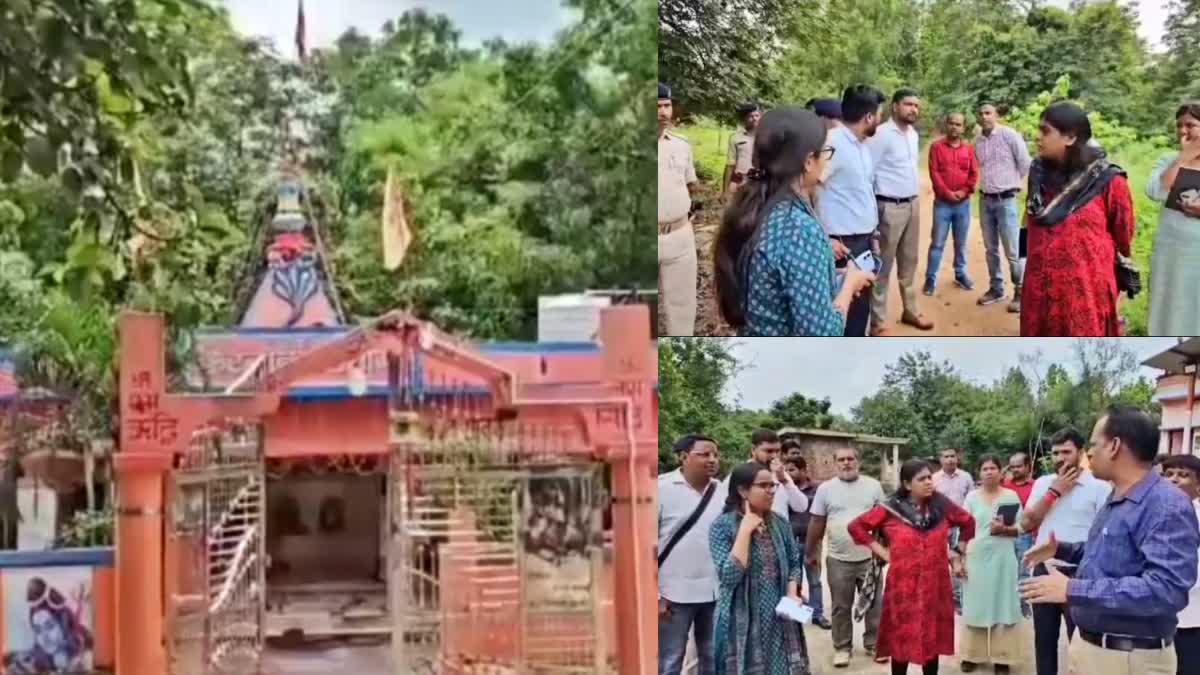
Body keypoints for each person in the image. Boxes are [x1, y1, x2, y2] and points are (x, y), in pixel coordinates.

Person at [1021, 406, 1200, 675]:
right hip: (1094, 649)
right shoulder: (1118, 495)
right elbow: (1110, 554)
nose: (1089, 453)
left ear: (1115, 446)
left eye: (1093, 444)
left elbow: (1165, 590)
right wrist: (1062, 549)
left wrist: (1072, 589)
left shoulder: (1165, 505)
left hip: (1128, 659)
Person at [713, 107, 875, 336]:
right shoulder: (800, 230)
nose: (825, 160)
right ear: (809, 161)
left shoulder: (756, 208)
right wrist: (849, 285)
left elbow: (777, 281)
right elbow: (822, 334)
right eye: (824, 152)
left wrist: (830, 276)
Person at [847, 458, 975, 675]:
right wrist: (883, 553)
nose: (928, 482)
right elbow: (856, 527)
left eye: (929, 478)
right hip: (903, 587)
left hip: (936, 585)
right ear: (907, 484)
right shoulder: (891, 509)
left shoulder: (942, 505)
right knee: (900, 641)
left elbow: (968, 522)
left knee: (931, 640)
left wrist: (958, 550)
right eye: (922, 479)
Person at [1022, 101, 1135, 336]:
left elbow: (1123, 234)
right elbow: (1030, 221)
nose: (1036, 137)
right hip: (1039, 291)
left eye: (1045, 131)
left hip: (1085, 293)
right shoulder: (1038, 174)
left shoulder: (1108, 181)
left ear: (1070, 138)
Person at [1018, 426, 1112, 675]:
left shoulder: (1100, 487)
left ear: (1081, 452)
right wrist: (1054, 492)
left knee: (1080, 640)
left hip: (1080, 573)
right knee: (1044, 639)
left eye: (1066, 452)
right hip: (1045, 568)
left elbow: (1105, 534)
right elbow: (1027, 523)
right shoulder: (1043, 483)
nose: (1060, 458)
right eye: (1055, 453)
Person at [710, 462, 812, 675]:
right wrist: (745, 531)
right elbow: (729, 576)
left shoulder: (780, 523)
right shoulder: (721, 526)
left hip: (780, 614)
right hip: (742, 617)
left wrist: (792, 593)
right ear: (742, 490)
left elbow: (794, 561)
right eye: (763, 486)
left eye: (772, 485)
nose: (770, 491)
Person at [805, 447, 887, 668]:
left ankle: (874, 643)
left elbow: (886, 520)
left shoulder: (873, 486)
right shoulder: (826, 489)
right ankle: (842, 647)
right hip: (838, 559)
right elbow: (817, 521)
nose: (846, 463)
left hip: (870, 559)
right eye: (841, 460)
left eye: (850, 458)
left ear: (857, 461)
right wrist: (810, 550)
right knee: (841, 606)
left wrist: (886, 550)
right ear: (835, 464)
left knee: (874, 603)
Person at [816, 85, 887, 337]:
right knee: (844, 311)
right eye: (879, 114)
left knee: (860, 309)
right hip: (842, 246)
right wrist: (823, 237)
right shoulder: (832, 144)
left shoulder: (860, 145)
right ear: (869, 117)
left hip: (863, 243)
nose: (880, 119)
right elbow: (806, 188)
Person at [866, 88, 933, 334]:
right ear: (895, 106)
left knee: (909, 261)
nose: (913, 109)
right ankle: (878, 320)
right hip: (888, 207)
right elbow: (868, 173)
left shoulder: (913, 135)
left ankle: (910, 310)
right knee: (883, 265)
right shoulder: (881, 135)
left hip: (912, 204)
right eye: (908, 104)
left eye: (916, 105)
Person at [658, 434, 724, 675]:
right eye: (704, 454)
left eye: (716, 455)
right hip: (672, 596)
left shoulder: (722, 492)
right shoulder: (661, 489)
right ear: (683, 457)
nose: (712, 460)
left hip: (714, 593)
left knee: (713, 656)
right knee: (670, 659)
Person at [959, 456, 1024, 674]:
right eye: (984, 468)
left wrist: (1005, 530)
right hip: (976, 556)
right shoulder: (971, 497)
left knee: (1003, 603)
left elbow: (1021, 527)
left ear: (1000, 471)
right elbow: (962, 529)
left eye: (993, 468)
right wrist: (959, 558)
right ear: (978, 473)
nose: (989, 472)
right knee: (975, 604)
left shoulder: (1011, 496)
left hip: (1003, 557)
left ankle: (1002, 658)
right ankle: (971, 655)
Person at [1146, 102, 1200, 335]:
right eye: (1179, 125)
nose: (1183, 131)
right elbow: (1156, 191)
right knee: (1166, 303)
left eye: (1191, 125)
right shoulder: (1168, 159)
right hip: (1169, 250)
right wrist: (1183, 158)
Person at [974, 103, 1031, 311]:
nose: (984, 116)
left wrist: (1020, 189)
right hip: (985, 200)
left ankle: (1020, 291)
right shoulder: (978, 140)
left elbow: (1026, 164)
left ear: (996, 114)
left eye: (988, 112)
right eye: (981, 113)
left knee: (1013, 250)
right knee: (991, 249)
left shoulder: (1009, 135)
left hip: (1006, 201)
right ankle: (996, 289)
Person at [658, 82, 699, 336]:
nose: (663, 112)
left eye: (667, 106)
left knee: (683, 309)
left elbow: (690, 184)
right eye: (657, 107)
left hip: (680, 235)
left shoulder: (681, 145)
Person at [926, 112, 979, 294]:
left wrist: (964, 191)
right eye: (951, 123)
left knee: (960, 243)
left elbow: (973, 174)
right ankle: (930, 279)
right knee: (937, 243)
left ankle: (960, 274)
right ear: (946, 124)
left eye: (958, 124)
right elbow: (934, 173)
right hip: (942, 204)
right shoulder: (936, 147)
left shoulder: (969, 150)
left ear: (963, 128)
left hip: (963, 205)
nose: (954, 127)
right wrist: (947, 193)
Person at [1161, 454, 1200, 675]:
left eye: (1183, 475)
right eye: (1169, 474)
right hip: (1157, 619)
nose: (1174, 479)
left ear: (1198, 485)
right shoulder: (1152, 514)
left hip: (1193, 618)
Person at [784, 453, 832, 630]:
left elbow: (822, 517)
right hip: (790, 543)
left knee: (814, 580)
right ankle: (795, 616)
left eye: (792, 470)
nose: (788, 473)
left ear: (804, 470)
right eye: (786, 470)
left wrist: (817, 541)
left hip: (812, 543)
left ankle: (817, 615)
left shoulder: (818, 490)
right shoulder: (784, 490)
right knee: (792, 580)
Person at [722, 430, 810, 521]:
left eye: (777, 451)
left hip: (779, 532)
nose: (774, 456)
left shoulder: (781, 475)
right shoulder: (738, 475)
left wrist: (785, 481)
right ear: (753, 450)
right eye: (769, 451)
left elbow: (801, 507)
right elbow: (724, 510)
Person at [932, 448, 973, 613]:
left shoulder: (966, 477)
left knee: (959, 562)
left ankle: (958, 601)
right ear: (940, 460)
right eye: (946, 456)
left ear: (957, 458)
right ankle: (939, 599)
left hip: (960, 527)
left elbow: (971, 501)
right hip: (939, 526)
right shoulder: (934, 479)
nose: (950, 459)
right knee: (937, 562)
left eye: (952, 456)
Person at [1001, 452, 1037, 618]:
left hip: (1026, 535)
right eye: (1012, 466)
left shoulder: (1036, 486)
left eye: (1019, 466)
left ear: (1028, 466)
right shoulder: (1004, 486)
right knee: (1006, 570)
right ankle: (1007, 603)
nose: (1015, 469)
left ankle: (1023, 603)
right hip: (1006, 534)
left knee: (1023, 571)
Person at [724, 101, 761, 198]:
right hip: (739, 182)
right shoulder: (735, 138)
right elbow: (730, 164)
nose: (754, 119)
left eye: (757, 115)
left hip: (759, 183)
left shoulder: (766, 137)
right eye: (750, 116)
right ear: (743, 119)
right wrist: (725, 190)